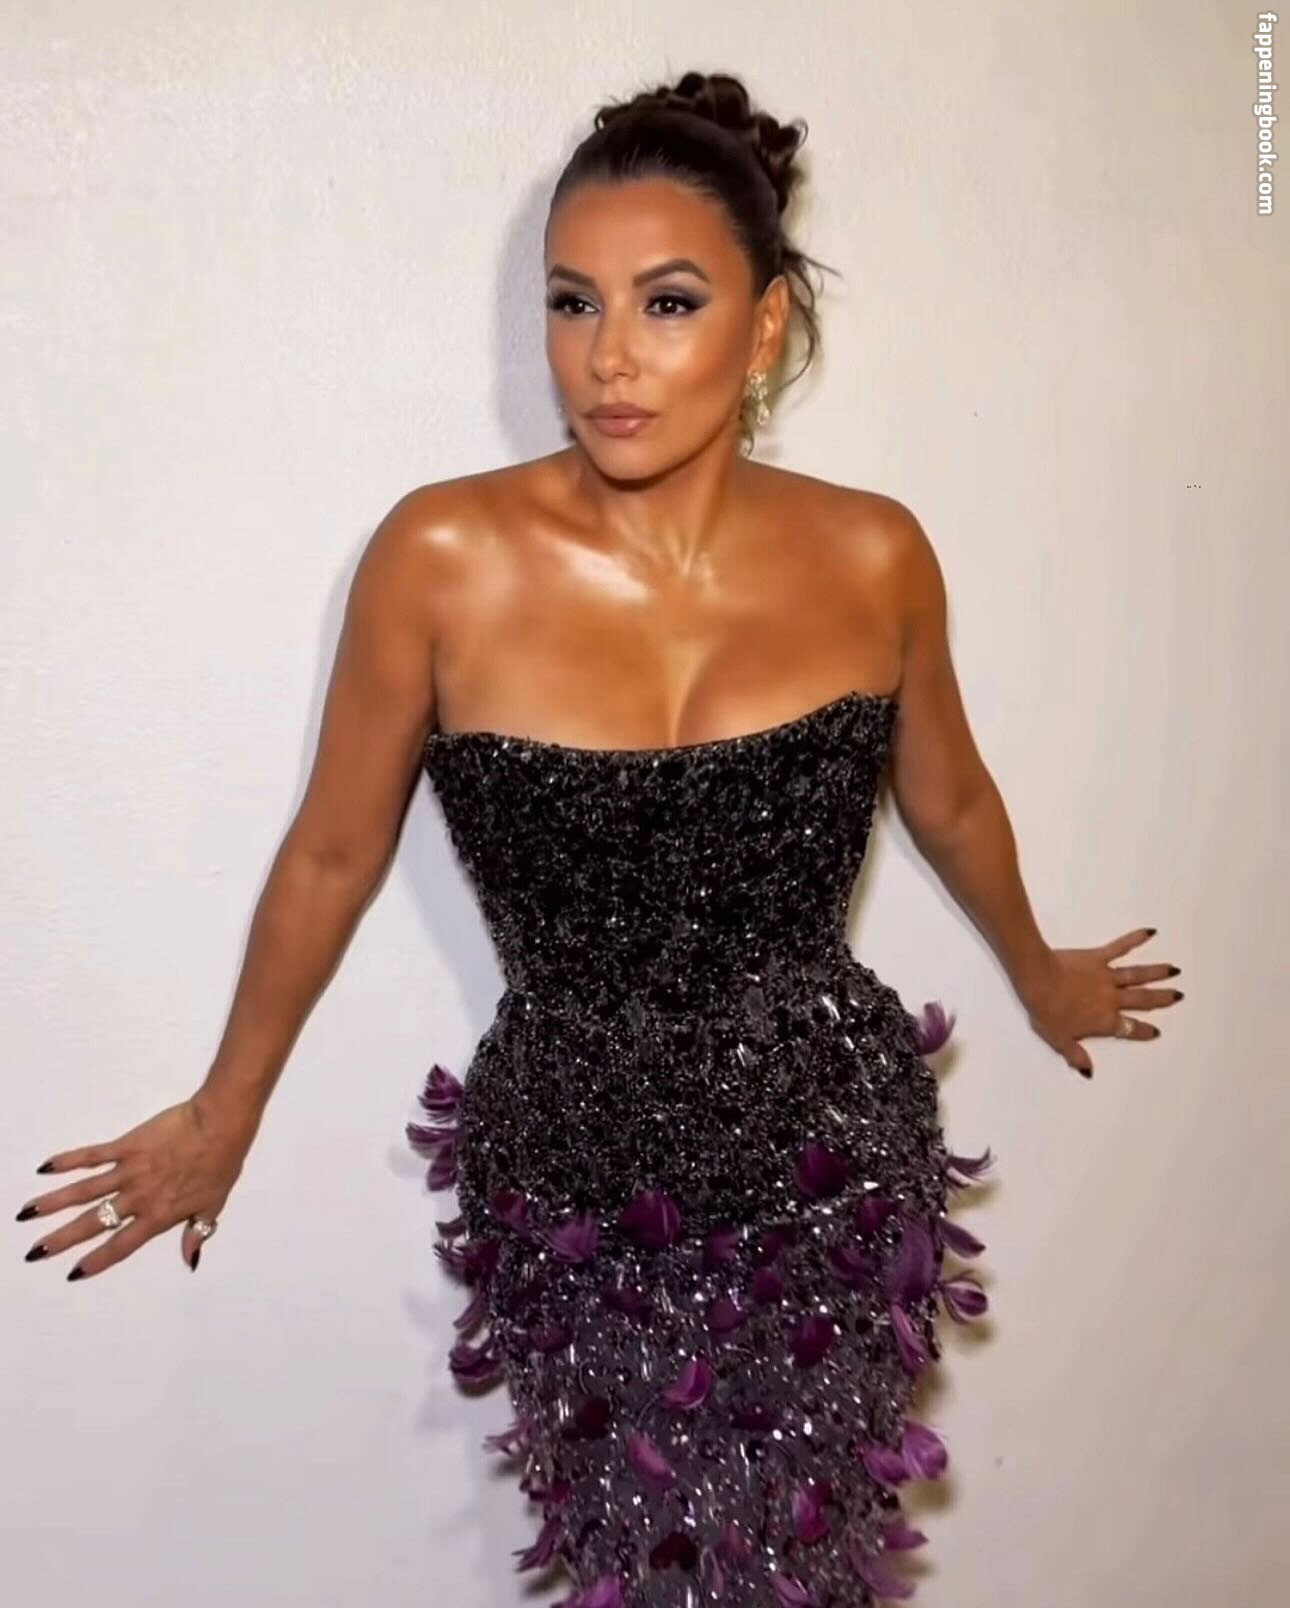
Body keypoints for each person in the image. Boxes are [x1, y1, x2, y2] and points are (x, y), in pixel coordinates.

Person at [17, 69, 1182, 1607]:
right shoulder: (439, 556)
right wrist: (224, 1113)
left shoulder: (873, 553)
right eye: (573, 304)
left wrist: (1037, 973)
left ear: (764, 330)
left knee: (800, 1562)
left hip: (825, 1161)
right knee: (645, 1563)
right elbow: (330, 854)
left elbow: (949, 799)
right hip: (576, 1174)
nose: (608, 356)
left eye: (668, 303)